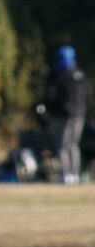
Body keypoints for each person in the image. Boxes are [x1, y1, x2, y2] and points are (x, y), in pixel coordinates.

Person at [40, 45, 89, 184]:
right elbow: (88, 96)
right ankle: (75, 175)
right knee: (74, 145)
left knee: (62, 146)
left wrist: (49, 112)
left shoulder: (58, 74)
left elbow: (51, 95)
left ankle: (66, 175)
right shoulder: (81, 74)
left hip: (63, 115)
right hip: (80, 115)